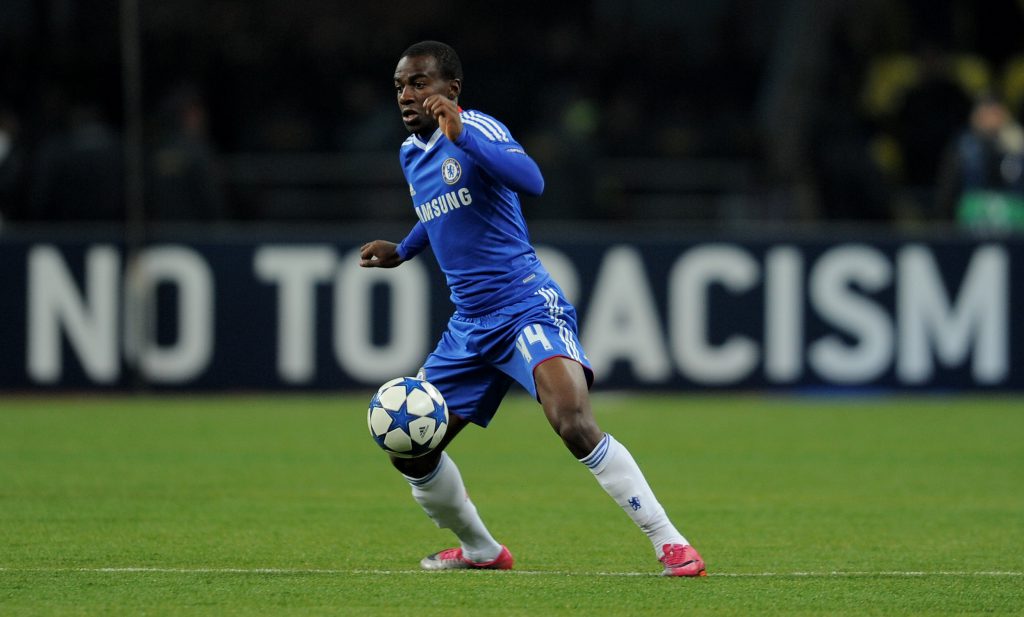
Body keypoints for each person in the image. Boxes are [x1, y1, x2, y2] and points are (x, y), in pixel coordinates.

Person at [359, 41, 705, 577]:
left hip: (524, 306)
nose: (407, 95)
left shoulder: (480, 129)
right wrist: (404, 250)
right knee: (412, 449)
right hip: (468, 326)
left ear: (451, 89)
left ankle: (672, 544)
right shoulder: (411, 153)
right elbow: (440, 211)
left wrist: (463, 133)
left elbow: (533, 181)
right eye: (400, 86)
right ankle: (481, 550)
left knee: (571, 422)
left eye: (420, 83)